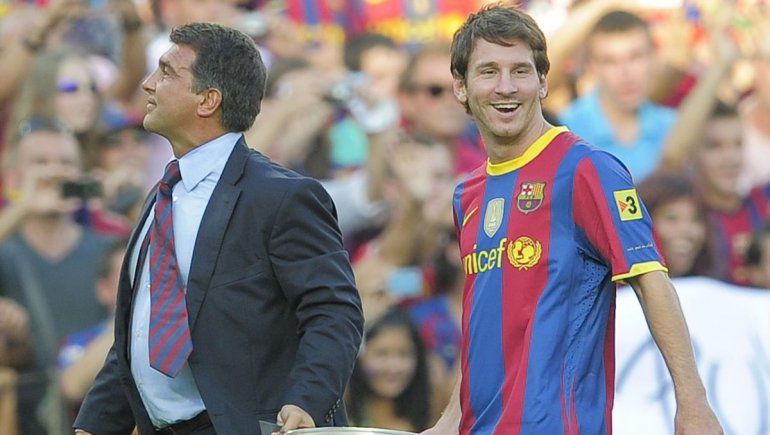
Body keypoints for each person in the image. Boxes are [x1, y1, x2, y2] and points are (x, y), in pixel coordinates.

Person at [423, 5, 721, 434]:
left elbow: (652, 281)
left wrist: (692, 403)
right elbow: (483, 320)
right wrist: (451, 418)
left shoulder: (587, 168)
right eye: (488, 72)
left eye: (521, 72)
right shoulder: (467, 193)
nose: (506, 87)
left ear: (544, 81)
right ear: (461, 87)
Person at [74, 22, 363, 434]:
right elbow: (141, 330)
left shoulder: (282, 197)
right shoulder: (162, 193)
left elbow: (334, 311)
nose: (148, 84)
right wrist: (95, 425)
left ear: (208, 100)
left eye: (167, 72)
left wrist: (306, 402)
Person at [559, 10, 677, 183]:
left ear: (653, 58)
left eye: (635, 57)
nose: (625, 72)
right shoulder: (566, 130)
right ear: (592, 66)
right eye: (610, 61)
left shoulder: (672, 126)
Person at [346, 307, 431, 432]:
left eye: (403, 354)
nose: (393, 367)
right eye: (382, 354)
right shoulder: (342, 411)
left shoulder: (433, 409)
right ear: (359, 356)